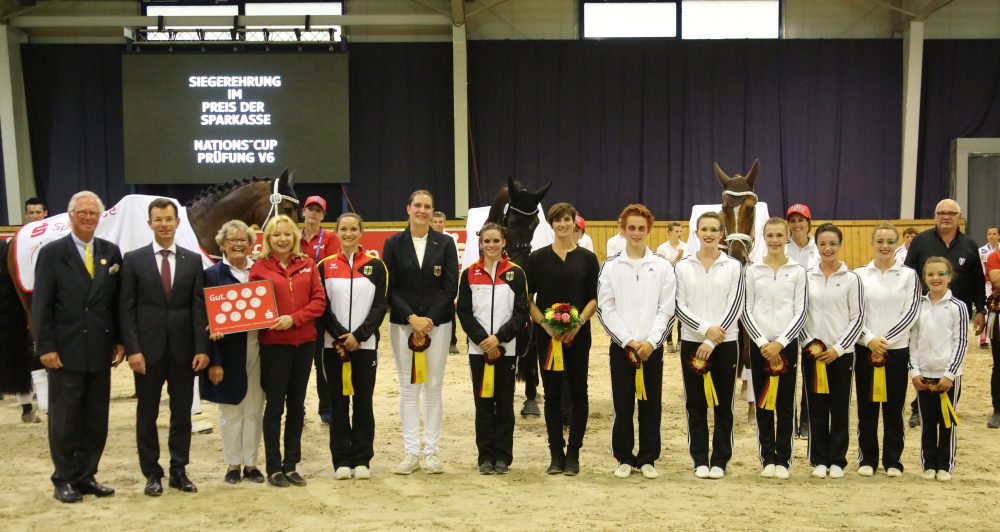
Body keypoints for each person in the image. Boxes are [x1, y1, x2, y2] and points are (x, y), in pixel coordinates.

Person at [33, 191, 123, 503]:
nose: (87, 217)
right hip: (65, 350)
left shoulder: (110, 253)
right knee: (65, 419)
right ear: (70, 216)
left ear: (99, 217)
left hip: (100, 350)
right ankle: (63, 479)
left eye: (92, 213)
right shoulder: (52, 253)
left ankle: (87, 476)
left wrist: (120, 341)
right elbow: (41, 304)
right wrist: (45, 346)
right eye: (81, 212)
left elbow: (116, 303)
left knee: (96, 418)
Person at [120, 198, 210, 496]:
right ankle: (152, 473)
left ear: (177, 222)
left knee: (181, 414)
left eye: (169, 219)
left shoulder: (192, 260)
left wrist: (202, 348)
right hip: (147, 352)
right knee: (147, 414)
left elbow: (199, 307)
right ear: (149, 224)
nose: (164, 224)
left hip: (185, 352)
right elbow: (127, 309)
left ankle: (178, 470)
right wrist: (133, 349)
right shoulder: (133, 259)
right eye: (158, 220)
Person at [597, 204, 675, 480]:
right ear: (623, 229)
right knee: (623, 403)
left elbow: (667, 309)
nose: (636, 233)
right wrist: (628, 340)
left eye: (642, 228)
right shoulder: (610, 267)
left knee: (651, 403)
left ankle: (648, 457)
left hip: (651, 349)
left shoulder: (663, 266)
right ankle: (624, 457)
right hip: (622, 348)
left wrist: (651, 342)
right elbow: (606, 308)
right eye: (631, 227)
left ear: (649, 230)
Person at [383, 190, 459, 475]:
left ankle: (431, 452)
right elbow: (390, 286)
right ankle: (411, 451)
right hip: (403, 325)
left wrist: (428, 320)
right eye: (418, 205)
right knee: (407, 386)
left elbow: (449, 287)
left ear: (433, 211)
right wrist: (411, 318)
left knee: (434, 386)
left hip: (437, 325)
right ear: (409, 208)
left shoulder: (446, 244)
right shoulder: (392, 244)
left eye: (428, 206)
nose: (422, 210)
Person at [249, 214, 326, 487]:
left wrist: (295, 318)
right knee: (274, 407)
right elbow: (255, 307)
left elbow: (319, 301)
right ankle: (273, 466)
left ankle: (291, 464)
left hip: (304, 343)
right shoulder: (259, 269)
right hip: (274, 346)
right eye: (276, 235)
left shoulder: (308, 265)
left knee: (297, 406)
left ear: (295, 237)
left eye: (287, 234)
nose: (282, 239)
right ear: (268, 239)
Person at [527, 202, 599, 476]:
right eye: (557, 220)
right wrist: (545, 324)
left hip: (578, 336)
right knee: (553, 395)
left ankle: (574, 454)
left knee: (580, 393)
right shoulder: (538, 258)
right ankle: (556, 453)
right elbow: (528, 299)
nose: (562, 224)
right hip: (548, 339)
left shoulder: (588, 259)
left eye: (567, 220)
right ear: (551, 224)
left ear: (574, 223)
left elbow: (594, 298)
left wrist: (579, 322)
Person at [904, 199, 985, 428]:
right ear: (935, 215)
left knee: (952, 355)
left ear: (959, 216)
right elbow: (908, 276)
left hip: (957, 313)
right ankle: (918, 407)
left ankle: (949, 399)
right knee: (925, 353)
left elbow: (979, 280)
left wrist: (980, 309)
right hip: (924, 311)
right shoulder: (921, 241)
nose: (946, 216)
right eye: (941, 213)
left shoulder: (970, 244)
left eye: (951, 213)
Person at [675, 211, 744, 480]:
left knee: (723, 403)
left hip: (726, 344)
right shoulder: (682, 266)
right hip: (693, 343)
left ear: (722, 234)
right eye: (703, 229)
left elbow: (736, 304)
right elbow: (679, 305)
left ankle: (720, 459)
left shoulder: (733, 266)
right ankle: (700, 459)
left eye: (714, 229)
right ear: (696, 233)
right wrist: (705, 331)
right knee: (696, 403)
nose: (709, 233)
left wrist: (713, 339)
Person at [318, 213, 387, 481]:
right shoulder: (324, 266)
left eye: (353, 229)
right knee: (337, 403)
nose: (348, 234)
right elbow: (321, 306)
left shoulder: (376, 266)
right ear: (336, 232)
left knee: (363, 402)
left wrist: (358, 336)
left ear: (361, 232)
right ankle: (341, 460)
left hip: (365, 346)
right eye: (343, 229)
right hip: (332, 346)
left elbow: (380, 306)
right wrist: (339, 336)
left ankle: (361, 459)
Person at [457, 222, 529, 475]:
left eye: (496, 241)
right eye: (487, 241)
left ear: (504, 242)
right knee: (483, 405)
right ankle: (484, 457)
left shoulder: (516, 273)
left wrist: (498, 339)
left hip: (506, 350)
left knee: (505, 404)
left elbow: (521, 312)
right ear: (480, 243)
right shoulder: (468, 274)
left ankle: (503, 457)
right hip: (478, 352)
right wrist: (482, 341)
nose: (491, 245)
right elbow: (464, 312)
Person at [200, 220, 266, 485]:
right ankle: (232, 464)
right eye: (232, 240)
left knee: (254, 408)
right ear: (222, 244)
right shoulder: (212, 275)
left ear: (251, 244)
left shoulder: (261, 271)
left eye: (243, 240)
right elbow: (206, 319)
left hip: (259, 349)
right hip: (227, 352)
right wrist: (214, 360)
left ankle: (251, 463)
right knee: (230, 411)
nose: (238, 245)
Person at [741, 217, 807, 480]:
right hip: (761, 347)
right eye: (770, 235)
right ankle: (767, 457)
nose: (775, 240)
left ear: (787, 237)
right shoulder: (753, 271)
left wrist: (781, 342)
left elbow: (801, 311)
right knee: (763, 402)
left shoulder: (798, 272)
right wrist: (762, 343)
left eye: (780, 235)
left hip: (786, 346)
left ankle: (784, 458)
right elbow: (746, 310)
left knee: (785, 403)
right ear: (763, 238)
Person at [853, 224, 920, 477]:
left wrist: (886, 341)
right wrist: (869, 339)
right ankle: (867, 459)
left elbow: (911, 312)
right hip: (865, 349)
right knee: (866, 407)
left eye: (890, 241)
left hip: (896, 350)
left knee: (894, 407)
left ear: (897, 244)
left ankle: (893, 460)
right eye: (880, 240)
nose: (885, 246)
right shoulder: (859, 275)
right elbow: (855, 313)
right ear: (872, 242)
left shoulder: (909, 276)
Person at [800, 223, 864, 479]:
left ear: (840, 245)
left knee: (839, 407)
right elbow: (800, 314)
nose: (827, 249)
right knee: (815, 406)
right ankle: (818, 459)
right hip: (812, 355)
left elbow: (857, 318)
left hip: (841, 355)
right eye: (823, 244)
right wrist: (808, 344)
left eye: (832, 244)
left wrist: (838, 349)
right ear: (817, 246)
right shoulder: (805, 276)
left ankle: (837, 459)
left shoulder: (852, 279)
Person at [909, 257, 968, 481]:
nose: (936, 278)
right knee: (927, 421)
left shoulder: (958, 307)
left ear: (949, 277)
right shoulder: (918, 306)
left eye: (941, 274)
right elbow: (912, 340)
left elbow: (960, 342)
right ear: (924, 278)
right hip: (923, 375)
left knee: (946, 421)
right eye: (931, 274)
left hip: (948, 377)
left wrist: (949, 374)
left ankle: (945, 464)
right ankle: (928, 464)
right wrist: (914, 371)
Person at [300, 195, 339, 425]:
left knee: (322, 361)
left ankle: (326, 408)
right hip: (298, 307)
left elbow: (331, 270)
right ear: (303, 212)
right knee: (300, 364)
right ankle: (298, 409)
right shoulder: (292, 237)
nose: (313, 213)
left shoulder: (331, 239)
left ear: (323, 215)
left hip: (321, 307)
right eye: (310, 209)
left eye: (318, 210)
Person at [12, 198, 50, 422]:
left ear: (46, 214)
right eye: (31, 212)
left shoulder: (55, 239)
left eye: (38, 212)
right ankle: (27, 405)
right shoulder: (18, 243)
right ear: (27, 215)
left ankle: (43, 401)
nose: (35, 216)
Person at [785, 203, 818, 439]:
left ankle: (807, 418)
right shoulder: (782, 249)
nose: (797, 224)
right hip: (787, 317)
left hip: (814, 317)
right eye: (793, 220)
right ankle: (790, 418)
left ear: (809, 223)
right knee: (786, 371)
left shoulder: (819, 248)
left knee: (811, 370)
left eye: (801, 220)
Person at [431, 211, 461, 355]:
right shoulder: (427, 237)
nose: (438, 224)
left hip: (445, 279)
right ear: (431, 223)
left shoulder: (450, 239)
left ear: (445, 223)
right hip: (431, 280)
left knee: (449, 309)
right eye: (435, 222)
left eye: (440, 222)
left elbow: (453, 262)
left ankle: (452, 341)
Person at [655, 221, 686, 353]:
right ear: (669, 232)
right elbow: (661, 268)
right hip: (667, 284)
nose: (679, 233)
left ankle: (680, 340)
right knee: (669, 311)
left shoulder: (686, 246)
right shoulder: (662, 248)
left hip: (682, 283)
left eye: (680, 231)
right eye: (676, 231)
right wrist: (676, 259)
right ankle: (668, 341)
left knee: (682, 311)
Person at [978, 226, 998, 349]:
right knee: (986, 309)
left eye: (994, 233)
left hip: (999, 284)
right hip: (986, 284)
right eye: (989, 233)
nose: (991, 236)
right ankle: (983, 338)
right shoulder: (981, 251)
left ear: (999, 235)